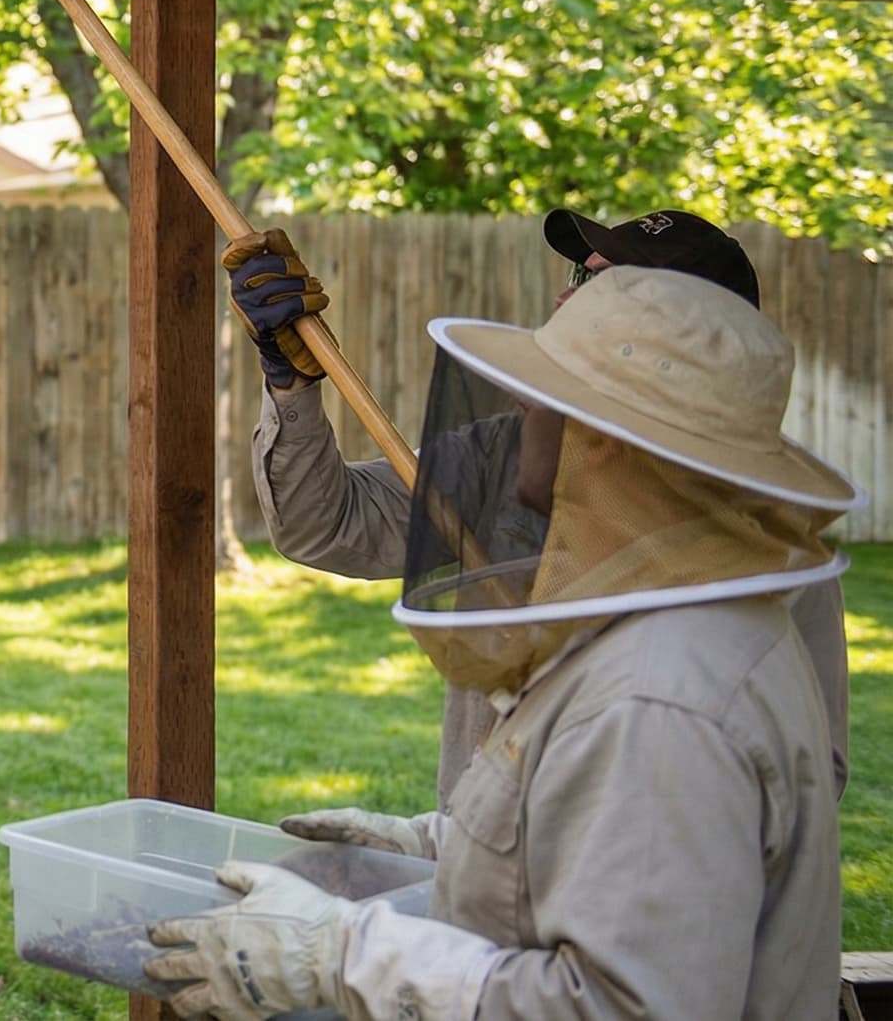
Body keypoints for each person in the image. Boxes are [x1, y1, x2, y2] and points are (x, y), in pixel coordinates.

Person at [144, 266, 855, 1020]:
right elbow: (612, 844)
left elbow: (624, 1005)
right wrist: (436, 845)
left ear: (608, 437)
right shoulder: (678, 622)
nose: (520, 398)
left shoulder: (663, 695)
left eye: (546, 382)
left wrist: (346, 953)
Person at [224, 207, 849, 804]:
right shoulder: (507, 450)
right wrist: (290, 378)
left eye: (605, 284)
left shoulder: (771, 528)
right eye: (580, 275)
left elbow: (810, 766)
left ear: (687, 338)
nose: (563, 300)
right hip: (480, 858)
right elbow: (326, 525)